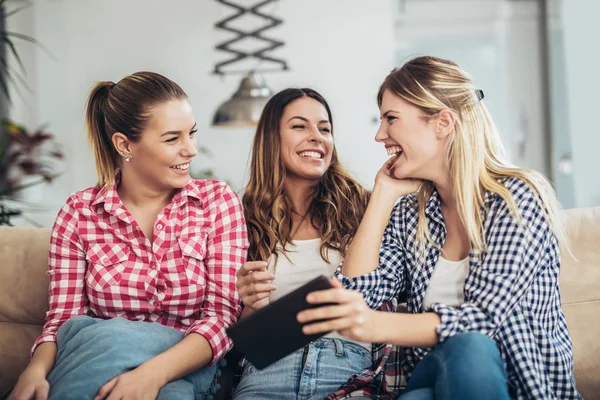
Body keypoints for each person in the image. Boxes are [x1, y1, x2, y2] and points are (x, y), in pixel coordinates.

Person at [297, 56, 581, 400]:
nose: (379, 135)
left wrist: (374, 325)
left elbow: (481, 319)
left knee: (469, 349)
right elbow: (356, 292)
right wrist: (383, 196)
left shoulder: (515, 198)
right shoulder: (409, 215)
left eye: (391, 119)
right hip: (433, 373)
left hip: (517, 385)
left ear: (442, 122)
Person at [8, 71, 248, 400]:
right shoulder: (79, 212)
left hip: (187, 366)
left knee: (164, 385)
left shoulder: (217, 202)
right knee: (114, 343)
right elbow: (64, 319)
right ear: (124, 144)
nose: (191, 149)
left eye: (192, 134)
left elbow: (221, 317)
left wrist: (150, 375)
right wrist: (34, 372)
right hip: (99, 357)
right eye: (172, 138)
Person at [232, 88, 372, 400]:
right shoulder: (243, 215)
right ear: (272, 138)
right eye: (299, 126)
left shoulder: (363, 207)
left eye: (324, 128)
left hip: (346, 366)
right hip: (267, 371)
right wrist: (253, 303)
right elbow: (245, 342)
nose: (316, 137)